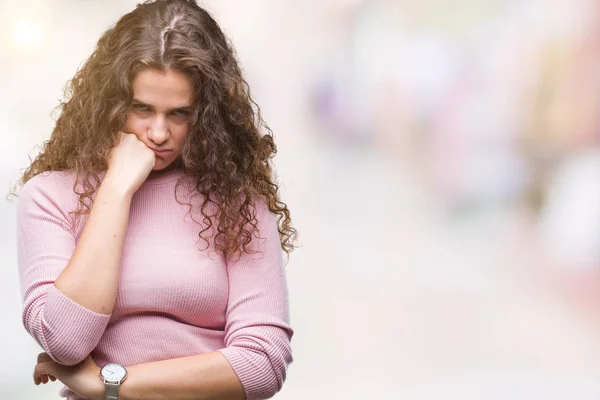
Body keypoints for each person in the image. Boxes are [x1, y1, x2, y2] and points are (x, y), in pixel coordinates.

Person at [14, 1, 297, 399]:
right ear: (110, 101)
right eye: (141, 108)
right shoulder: (50, 195)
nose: (158, 133)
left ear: (207, 114)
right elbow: (65, 340)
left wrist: (108, 385)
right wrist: (115, 188)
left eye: (179, 113)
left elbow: (263, 363)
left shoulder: (238, 202)